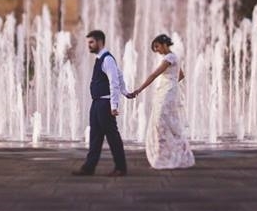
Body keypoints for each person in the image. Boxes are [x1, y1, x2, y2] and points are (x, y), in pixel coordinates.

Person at [127, 33, 195, 170]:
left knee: (160, 121)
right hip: (169, 91)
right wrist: (171, 83)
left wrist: (138, 90)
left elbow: (154, 75)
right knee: (167, 122)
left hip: (167, 93)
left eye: (157, 47)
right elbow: (180, 75)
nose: (157, 50)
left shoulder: (169, 58)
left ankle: (164, 155)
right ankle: (172, 154)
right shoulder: (173, 57)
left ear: (164, 44)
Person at [72, 29, 129, 177]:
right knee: (95, 136)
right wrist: (126, 92)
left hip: (105, 103)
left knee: (112, 137)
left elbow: (114, 81)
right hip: (97, 104)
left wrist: (114, 105)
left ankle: (121, 167)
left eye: (91, 42)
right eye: (88, 42)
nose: (89, 45)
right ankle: (89, 167)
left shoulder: (107, 59)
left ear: (99, 41)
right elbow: (120, 75)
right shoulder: (100, 58)